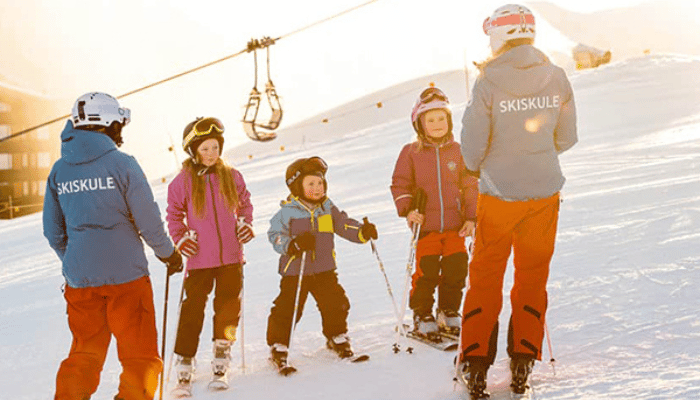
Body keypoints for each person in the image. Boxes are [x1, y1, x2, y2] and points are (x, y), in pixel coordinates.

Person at [457, 4, 578, 398]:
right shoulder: (556, 75)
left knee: (486, 277)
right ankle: (524, 357)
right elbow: (566, 136)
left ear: (498, 36)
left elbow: (472, 148)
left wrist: (483, 165)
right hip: (544, 194)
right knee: (532, 276)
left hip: (499, 195)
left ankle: (475, 362)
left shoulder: (488, 80)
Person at [43, 92, 183, 400]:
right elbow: (148, 220)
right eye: (119, 123)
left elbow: (53, 232)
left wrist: (76, 262)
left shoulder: (59, 170)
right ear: (108, 123)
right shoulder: (123, 164)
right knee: (138, 355)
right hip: (127, 279)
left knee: (85, 354)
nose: (121, 130)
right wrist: (168, 254)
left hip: (80, 281)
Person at [165, 117, 254, 384]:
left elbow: (245, 204)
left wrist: (245, 224)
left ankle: (222, 351)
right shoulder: (182, 182)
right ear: (193, 151)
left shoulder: (232, 176)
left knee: (229, 307)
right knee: (193, 309)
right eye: (204, 149)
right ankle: (185, 356)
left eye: (215, 147)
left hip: (231, 257)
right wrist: (181, 239)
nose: (211, 154)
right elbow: (173, 215)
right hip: (200, 258)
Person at [266, 156, 378, 366]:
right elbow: (275, 236)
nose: (317, 188)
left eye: (320, 183)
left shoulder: (327, 208)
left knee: (335, 302)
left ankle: (336, 335)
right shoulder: (287, 212)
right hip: (295, 271)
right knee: (288, 307)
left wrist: (362, 232)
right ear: (297, 186)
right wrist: (293, 244)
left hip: (324, 268)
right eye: (311, 184)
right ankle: (278, 344)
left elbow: (343, 224)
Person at [390, 87, 479, 338]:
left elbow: (470, 184)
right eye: (431, 120)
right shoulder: (411, 153)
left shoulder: (459, 151)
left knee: (456, 270)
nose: (437, 124)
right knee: (426, 272)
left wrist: (472, 217)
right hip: (426, 226)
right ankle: (422, 313)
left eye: (442, 118)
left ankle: (448, 310)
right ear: (420, 124)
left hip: (455, 225)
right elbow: (400, 184)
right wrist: (408, 210)